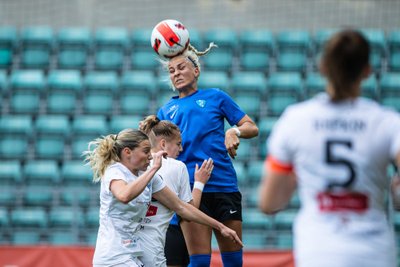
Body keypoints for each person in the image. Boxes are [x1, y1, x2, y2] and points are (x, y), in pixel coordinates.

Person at [258, 29, 400, 267]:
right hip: (374, 252)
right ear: (367, 71)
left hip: (319, 251)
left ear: (322, 67)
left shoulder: (296, 120)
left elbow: (269, 203)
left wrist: (293, 180)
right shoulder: (387, 122)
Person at [157, 43, 259, 267]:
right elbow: (159, 151)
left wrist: (234, 130)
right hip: (190, 191)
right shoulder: (165, 111)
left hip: (224, 185)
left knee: (234, 263)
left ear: (196, 71)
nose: (176, 74)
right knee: (200, 263)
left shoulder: (216, 97)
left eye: (181, 67)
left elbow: (252, 127)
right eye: (171, 71)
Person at [83, 128, 242, 267]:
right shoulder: (115, 172)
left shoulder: (148, 176)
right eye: (146, 151)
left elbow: (182, 207)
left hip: (133, 253)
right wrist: (153, 170)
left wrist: (220, 226)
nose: (150, 157)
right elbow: (124, 195)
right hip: (113, 256)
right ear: (127, 152)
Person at [137, 115, 214, 267]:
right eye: (178, 144)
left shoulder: (134, 163)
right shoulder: (177, 167)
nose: (181, 149)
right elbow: (189, 210)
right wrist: (199, 183)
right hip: (166, 235)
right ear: (163, 144)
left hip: (128, 245)